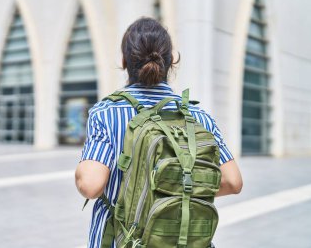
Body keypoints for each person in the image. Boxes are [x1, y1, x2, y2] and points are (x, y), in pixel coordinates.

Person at [75, 17, 243, 248]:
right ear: (172, 60)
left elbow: (91, 185)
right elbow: (232, 182)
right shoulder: (199, 116)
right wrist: (177, 190)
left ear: (124, 61)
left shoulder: (105, 112)